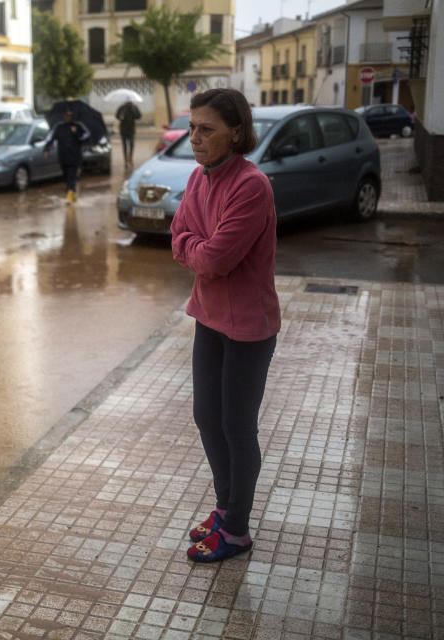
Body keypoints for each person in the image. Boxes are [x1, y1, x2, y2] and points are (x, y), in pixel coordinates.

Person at [170, 88, 280, 563]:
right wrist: (198, 248)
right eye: (192, 128)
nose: (194, 137)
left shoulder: (251, 185)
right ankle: (224, 508)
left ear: (236, 132)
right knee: (205, 417)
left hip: (249, 327)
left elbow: (215, 258)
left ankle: (237, 529)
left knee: (237, 427)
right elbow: (178, 237)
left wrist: (198, 249)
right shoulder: (199, 178)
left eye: (206, 129)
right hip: (209, 317)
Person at [43, 109, 90, 203]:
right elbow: (51, 138)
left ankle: (69, 195)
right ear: (64, 116)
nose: (67, 117)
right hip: (63, 156)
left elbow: (86, 137)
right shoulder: (59, 127)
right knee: (66, 176)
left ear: (72, 116)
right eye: (66, 115)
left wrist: (76, 133)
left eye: (69, 115)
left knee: (72, 176)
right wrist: (46, 149)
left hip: (75, 157)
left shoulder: (78, 126)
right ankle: (73, 192)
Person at [115, 100, 141, 166]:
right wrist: (120, 116)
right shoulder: (122, 108)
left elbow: (139, 116)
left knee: (132, 144)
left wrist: (134, 111)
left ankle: (130, 158)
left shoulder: (134, 107)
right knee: (124, 146)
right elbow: (117, 116)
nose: (129, 102)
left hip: (131, 130)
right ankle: (125, 160)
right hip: (123, 130)